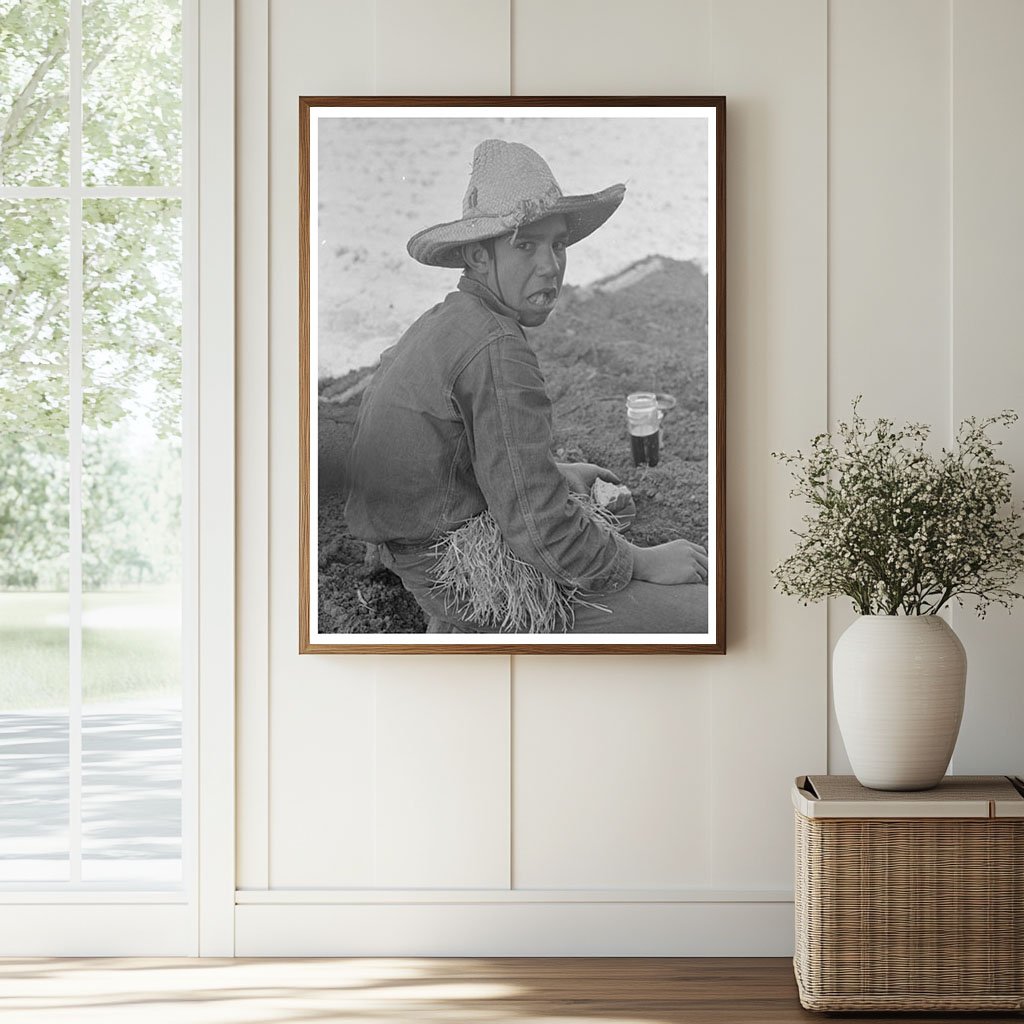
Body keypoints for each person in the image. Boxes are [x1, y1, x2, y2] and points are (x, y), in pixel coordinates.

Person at [344, 139, 707, 633]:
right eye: (525, 245)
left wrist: (560, 475)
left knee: (587, 489)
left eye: (557, 244)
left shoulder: (448, 320)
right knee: (702, 613)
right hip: (453, 571)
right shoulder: (497, 349)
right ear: (478, 256)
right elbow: (540, 532)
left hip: (410, 533)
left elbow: (456, 453)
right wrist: (641, 561)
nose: (550, 266)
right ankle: (468, 627)